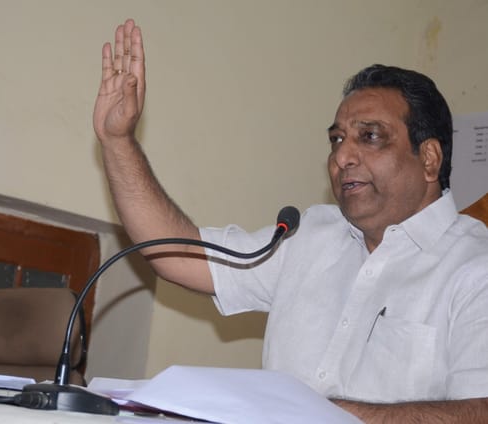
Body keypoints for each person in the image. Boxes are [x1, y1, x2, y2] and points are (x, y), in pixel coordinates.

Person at [93, 19, 488, 422]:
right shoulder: (312, 235)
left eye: (370, 136)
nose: (342, 156)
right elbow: (177, 255)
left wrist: (318, 415)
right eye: (336, 139)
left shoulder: (476, 268)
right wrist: (117, 142)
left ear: (429, 159)